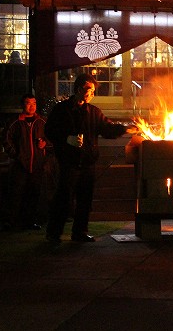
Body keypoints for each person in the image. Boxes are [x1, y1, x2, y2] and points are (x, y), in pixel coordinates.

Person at [44, 74, 129, 243]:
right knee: (64, 197)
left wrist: (125, 129)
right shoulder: (61, 110)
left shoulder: (94, 112)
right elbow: (50, 130)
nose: (92, 94)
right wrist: (66, 138)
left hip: (88, 162)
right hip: (69, 162)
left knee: (85, 199)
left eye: (93, 91)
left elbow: (106, 129)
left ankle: (80, 232)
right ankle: (54, 233)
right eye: (90, 90)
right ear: (79, 89)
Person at [0, 94, 47, 231]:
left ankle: (30, 221)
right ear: (23, 105)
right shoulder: (15, 122)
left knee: (34, 193)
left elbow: (51, 138)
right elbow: (6, 139)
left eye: (34, 103)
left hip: (37, 163)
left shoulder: (41, 122)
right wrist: (16, 154)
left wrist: (45, 144)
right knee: (16, 193)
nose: (31, 106)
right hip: (20, 164)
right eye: (28, 103)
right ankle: (11, 221)